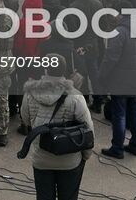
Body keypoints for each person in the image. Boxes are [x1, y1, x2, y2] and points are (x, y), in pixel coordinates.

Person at [20, 46, 91, 200]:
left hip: (41, 158)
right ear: (64, 71)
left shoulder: (30, 94)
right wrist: (85, 155)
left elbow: (25, 120)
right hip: (70, 160)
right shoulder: (76, 97)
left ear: (45, 70)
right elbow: (88, 129)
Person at [98, 10, 136, 158]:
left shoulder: (119, 32)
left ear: (122, 15)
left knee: (119, 114)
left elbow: (111, 58)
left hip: (121, 80)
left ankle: (117, 148)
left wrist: (102, 75)